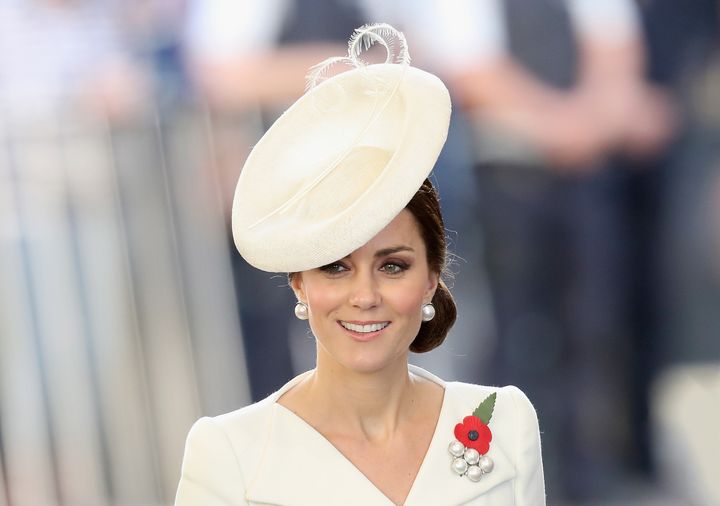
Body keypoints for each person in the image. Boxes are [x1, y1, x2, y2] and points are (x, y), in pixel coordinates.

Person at [175, 24, 545, 506]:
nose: (365, 295)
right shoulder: (230, 453)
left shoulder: (504, 423)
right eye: (335, 267)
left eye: (392, 266)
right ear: (298, 282)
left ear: (433, 276)